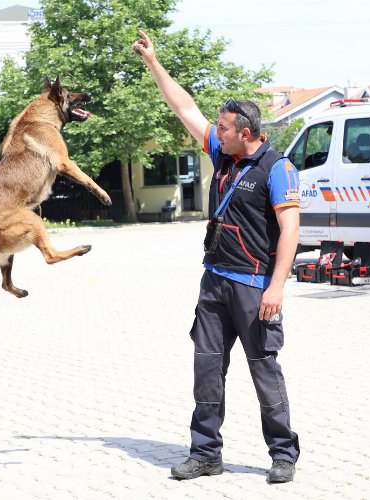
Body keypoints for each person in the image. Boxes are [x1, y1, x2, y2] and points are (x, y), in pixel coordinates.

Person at [133, 30, 301, 483]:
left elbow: (290, 230)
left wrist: (277, 286)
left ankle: (283, 454)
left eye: (223, 128)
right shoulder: (223, 156)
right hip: (214, 282)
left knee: (264, 370)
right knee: (207, 369)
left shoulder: (277, 168)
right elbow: (184, 107)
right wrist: (154, 63)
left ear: (244, 133)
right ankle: (206, 454)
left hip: (253, 286)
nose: (215, 132)